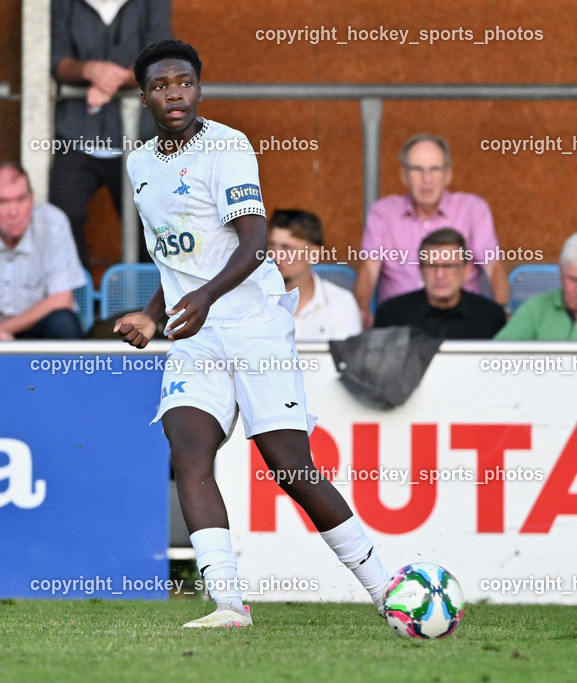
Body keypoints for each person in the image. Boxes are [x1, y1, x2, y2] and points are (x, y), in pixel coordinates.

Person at [114, 39, 389, 628]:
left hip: (254, 323)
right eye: (160, 85)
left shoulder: (228, 146)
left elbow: (254, 239)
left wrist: (206, 299)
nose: (174, 93)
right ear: (144, 98)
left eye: (183, 81)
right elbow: (176, 258)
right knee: (188, 451)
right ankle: (228, 604)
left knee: (289, 465)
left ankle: (386, 587)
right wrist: (153, 313)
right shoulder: (139, 164)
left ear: (199, 87)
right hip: (197, 331)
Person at [50, 0, 172, 266]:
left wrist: (109, 80)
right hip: (75, 135)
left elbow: (161, 60)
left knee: (151, 225)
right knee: (60, 218)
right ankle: (72, 300)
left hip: (139, 136)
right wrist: (88, 70)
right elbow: (56, 61)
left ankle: (149, 306)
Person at [353, 134, 509, 327]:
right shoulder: (383, 212)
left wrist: (502, 312)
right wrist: (360, 312)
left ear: (448, 174)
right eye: (417, 170)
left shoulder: (473, 209)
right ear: (404, 175)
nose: (426, 179)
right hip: (400, 324)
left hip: (461, 323)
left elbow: (493, 267)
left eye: (434, 170)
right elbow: (369, 269)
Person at [0, 163, 87, 340]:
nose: (14, 212)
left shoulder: (52, 222)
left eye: (21, 199)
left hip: (36, 328)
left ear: (32, 199)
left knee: (64, 322)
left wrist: (5, 329)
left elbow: (62, 300)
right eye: (3, 202)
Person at [373, 228, 506, 339]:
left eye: (449, 266)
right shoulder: (392, 315)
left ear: (466, 271)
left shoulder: (490, 316)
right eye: (431, 266)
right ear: (420, 270)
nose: (440, 275)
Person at [267, 209, 360, 342]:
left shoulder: (341, 304)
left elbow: (346, 361)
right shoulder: (254, 300)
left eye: (287, 248)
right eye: (272, 245)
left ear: (313, 254)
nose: (275, 256)